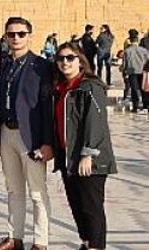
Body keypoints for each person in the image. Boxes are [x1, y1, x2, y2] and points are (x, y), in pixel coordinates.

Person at [0, 17, 55, 250]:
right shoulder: (6, 64)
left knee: (37, 191)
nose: (16, 38)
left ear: (30, 35)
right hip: (7, 132)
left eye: (21, 34)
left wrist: (47, 142)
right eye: (11, 34)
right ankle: (14, 237)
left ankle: (41, 241)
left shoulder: (41, 66)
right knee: (13, 189)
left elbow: (46, 106)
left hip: (31, 136)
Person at [52, 42, 116, 250]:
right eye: (61, 58)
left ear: (80, 60)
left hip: (89, 158)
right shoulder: (62, 89)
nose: (65, 62)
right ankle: (87, 242)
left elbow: (95, 121)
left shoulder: (90, 87)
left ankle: (96, 246)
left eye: (70, 58)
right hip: (69, 156)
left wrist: (88, 153)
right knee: (76, 204)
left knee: (91, 207)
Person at [121, 31, 149, 112]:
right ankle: (145, 106)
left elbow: (124, 63)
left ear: (130, 41)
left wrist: (124, 72)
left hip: (132, 72)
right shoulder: (143, 50)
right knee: (144, 89)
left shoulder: (127, 51)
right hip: (142, 72)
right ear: (138, 41)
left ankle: (135, 106)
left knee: (134, 89)